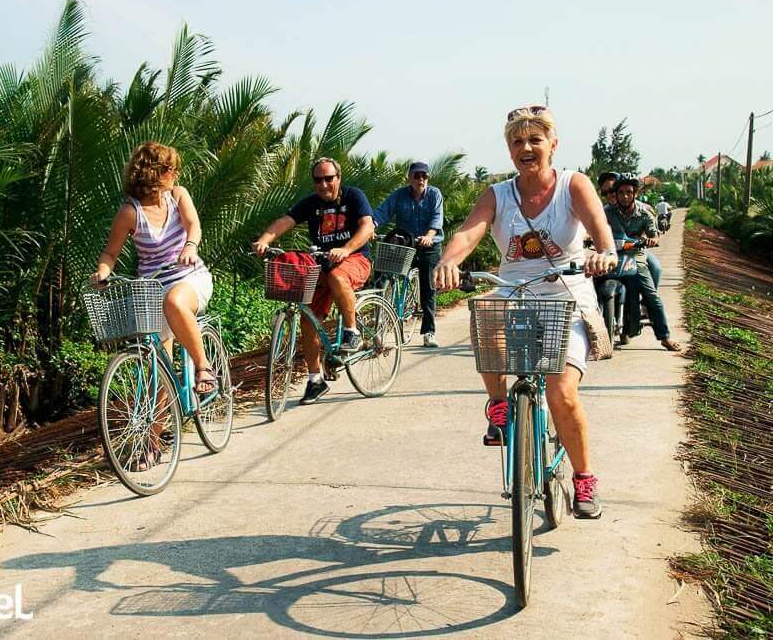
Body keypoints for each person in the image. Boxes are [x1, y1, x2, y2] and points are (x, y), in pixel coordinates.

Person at [434, 106, 618, 519]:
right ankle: (499, 405)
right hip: (514, 291)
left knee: (560, 391)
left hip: (566, 293)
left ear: (553, 145)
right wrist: (448, 261)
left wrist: (604, 252)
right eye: (517, 141)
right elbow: (469, 232)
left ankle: (584, 477)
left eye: (535, 139)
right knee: (485, 311)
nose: (527, 148)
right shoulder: (498, 195)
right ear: (509, 149)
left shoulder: (573, 185)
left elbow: (599, 226)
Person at [92, 141, 217, 395]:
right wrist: (102, 273)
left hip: (190, 278)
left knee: (175, 301)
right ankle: (157, 423)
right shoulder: (130, 212)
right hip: (152, 291)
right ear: (155, 173)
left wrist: (190, 247)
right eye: (172, 169)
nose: (176, 174)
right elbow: (110, 253)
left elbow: (193, 225)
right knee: (158, 371)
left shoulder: (178, 195)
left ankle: (203, 366)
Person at [253, 157, 375, 405]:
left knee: (337, 276)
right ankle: (315, 380)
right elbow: (285, 221)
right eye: (318, 180)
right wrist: (264, 240)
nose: (323, 184)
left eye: (329, 179)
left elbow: (367, 227)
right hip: (322, 264)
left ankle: (351, 332)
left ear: (338, 178)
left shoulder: (353, 196)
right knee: (307, 318)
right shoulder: (310, 203)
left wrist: (346, 249)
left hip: (356, 258)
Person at [604, 174, 681, 351]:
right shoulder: (607, 212)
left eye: (629, 192)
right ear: (616, 194)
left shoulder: (644, 213)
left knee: (651, 295)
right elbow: (594, 226)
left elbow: (654, 233)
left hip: (635, 256)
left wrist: (652, 239)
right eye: (621, 192)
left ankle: (665, 336)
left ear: (635, 194)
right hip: (612, 255)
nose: (625, 196)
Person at [373, 161, 445, 348]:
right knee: (383, 274)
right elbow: (382, 212)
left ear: (428, 178)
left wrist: (429, 236)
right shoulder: (399, 195)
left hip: (429, 245)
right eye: (416, 176)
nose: (421, 179)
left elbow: (437, 218)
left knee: (428, 287)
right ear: (409, 178)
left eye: (424, 176)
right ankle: (378, 326)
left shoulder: (434, 194)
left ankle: (428, 332)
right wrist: (371, 226)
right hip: (406, 243)